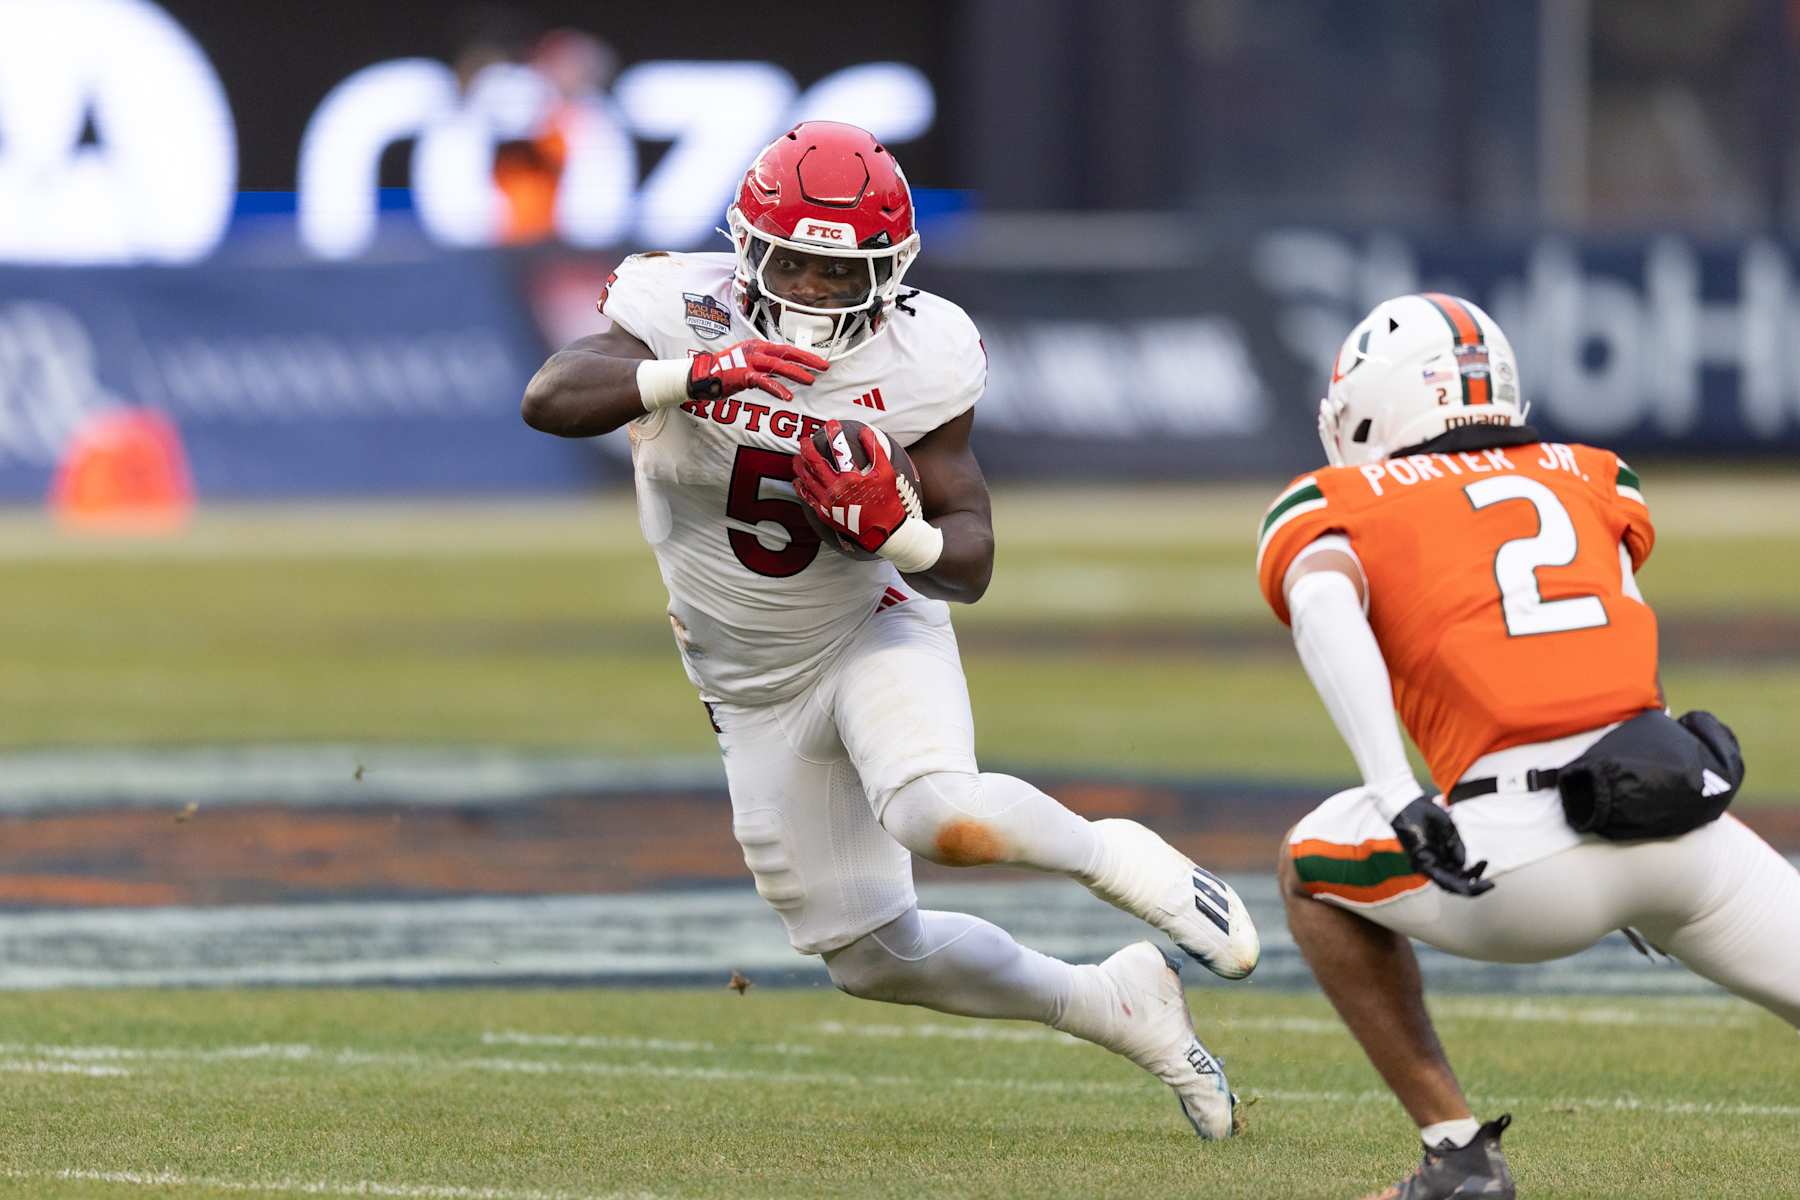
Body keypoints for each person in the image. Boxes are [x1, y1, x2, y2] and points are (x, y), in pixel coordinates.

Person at [522, 120, 1260, 1137]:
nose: (818, 293)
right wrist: (695, 375)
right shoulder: (675, 306)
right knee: (870, 958)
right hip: (745, 681)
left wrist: (902, 537)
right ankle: (1117, 1005)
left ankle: (1113, 856)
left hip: (871, 623)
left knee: (934, 812)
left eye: (844, 273)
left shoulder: (927, 354)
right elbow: (550, 397)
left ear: (891, 273)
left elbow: (973, 556)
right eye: (798, 266)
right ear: (749, 250)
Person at [1257, 292, 1800, 1199]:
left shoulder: (1342, 499)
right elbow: (1612, 624)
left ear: (1378, 403)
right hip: (1671, 824)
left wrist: (1394, 789)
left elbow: (1320, 602)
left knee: (1307, 864)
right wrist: (1637, 780)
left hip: (1519, 862)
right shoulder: (1593, 472)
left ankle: (1458, 1158)